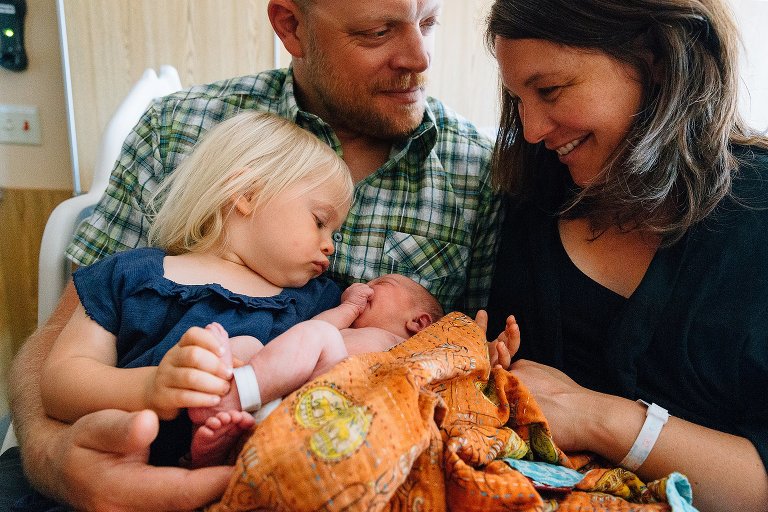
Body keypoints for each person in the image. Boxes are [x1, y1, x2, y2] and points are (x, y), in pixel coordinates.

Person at [5, 0, 501, 509]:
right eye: (377, 32)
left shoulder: (480, 173)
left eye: (429, 22)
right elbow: (58, 349)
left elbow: (461, 363)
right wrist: (53, 459)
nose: (419, 58)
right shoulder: (174, 131)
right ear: (290, 26)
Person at [483, 1, 768, 511]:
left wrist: (602, 418)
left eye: (549, 91)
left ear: (655, 58)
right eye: (517, 99)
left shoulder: (758, 216)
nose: (530, 130)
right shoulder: (529, 207)